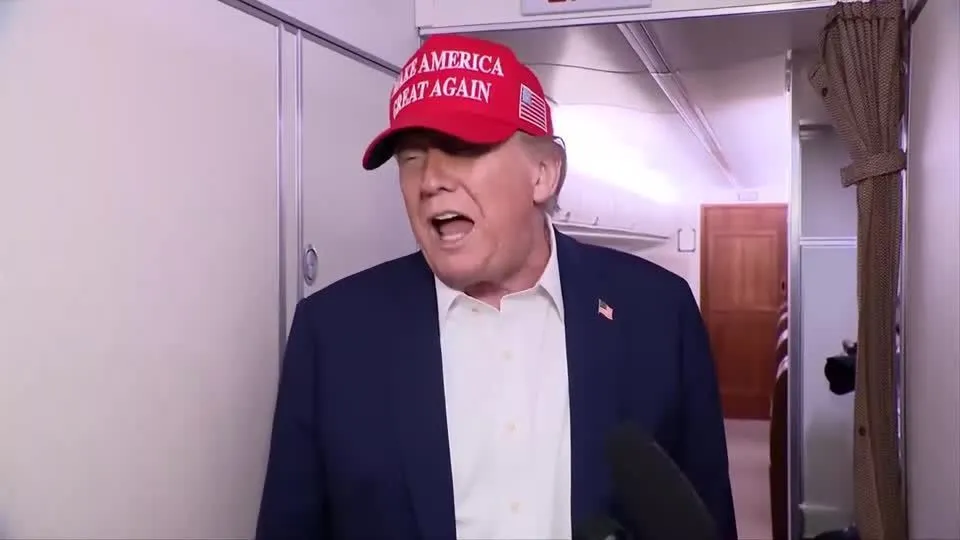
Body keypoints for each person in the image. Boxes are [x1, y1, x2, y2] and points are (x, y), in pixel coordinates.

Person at [256, 34, 737, 540]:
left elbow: (704, 521)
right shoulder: (333, 334)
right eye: (411, 157)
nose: (430, 180)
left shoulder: (659, 314)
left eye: (461, 148)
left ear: (543, 174)